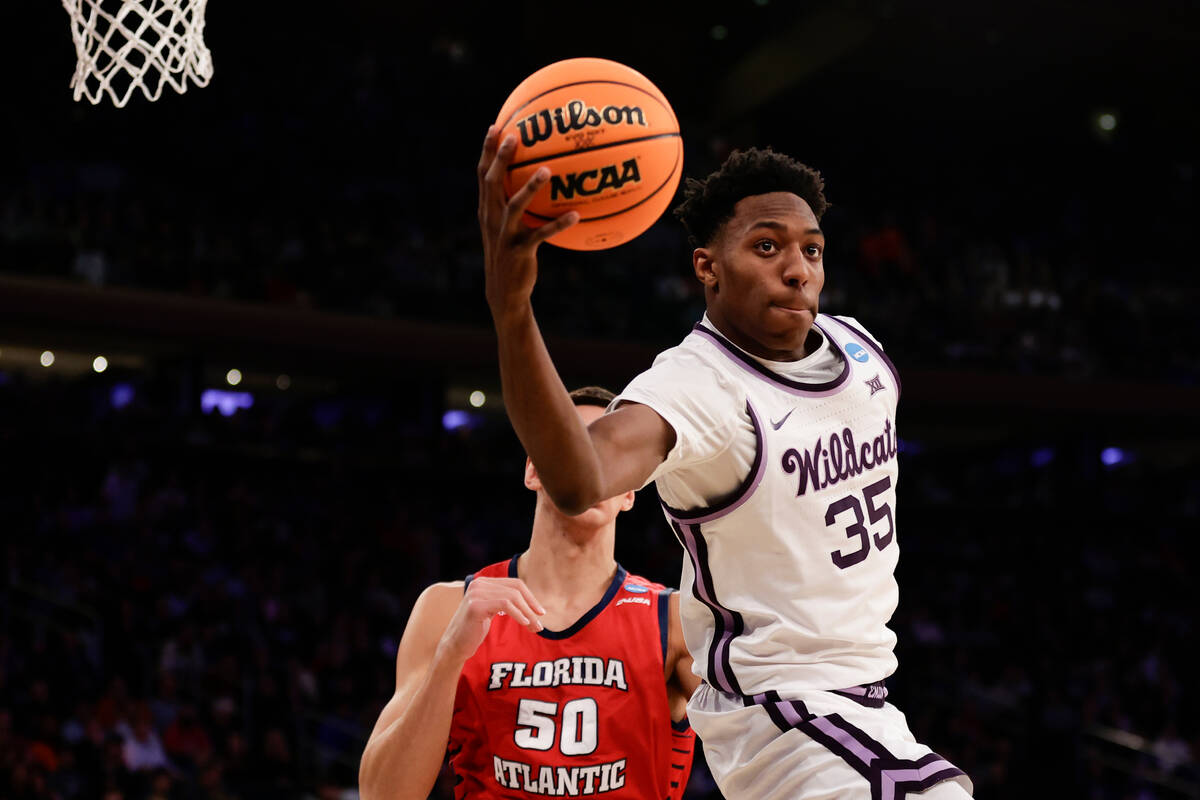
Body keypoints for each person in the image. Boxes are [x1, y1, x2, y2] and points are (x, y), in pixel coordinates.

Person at [475, 127, 974, 800]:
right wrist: (512, 313)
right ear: (708, 267)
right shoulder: (699, 384)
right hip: (781, 711)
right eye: (766, 247)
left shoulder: (861, 349)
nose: (798, 269)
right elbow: (579, 478)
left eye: (812, 250)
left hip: (867, 703)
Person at [359, 387, 699, 800]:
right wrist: (450, 655)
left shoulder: (677, 620)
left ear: (630, 492)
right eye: (572, 444)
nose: (587, 465)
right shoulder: (448, 607)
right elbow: (382, 794)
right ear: (534, 470)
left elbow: (770, 752)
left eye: (607, 453)